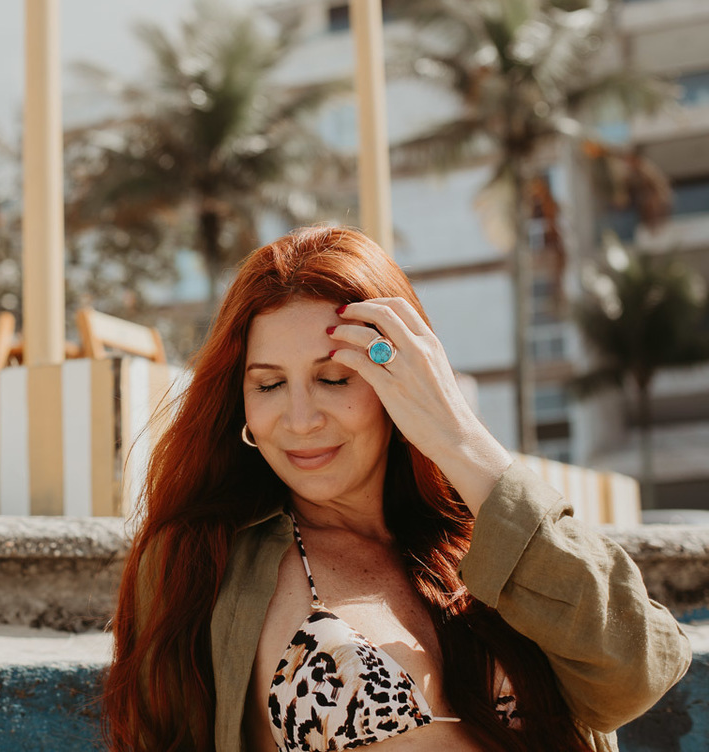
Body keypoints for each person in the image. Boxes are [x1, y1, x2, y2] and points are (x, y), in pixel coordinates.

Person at [102, 226, 690, 751]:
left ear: (401, 379)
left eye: (334, 378)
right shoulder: (200, 559)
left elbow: (636, 674)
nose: (301, 418)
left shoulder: (488, 540)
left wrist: (458, 435)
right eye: (270, 384)